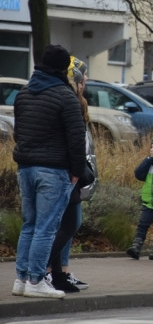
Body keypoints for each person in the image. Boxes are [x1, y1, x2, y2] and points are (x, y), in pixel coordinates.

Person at [12, 44, 87, 299]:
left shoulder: (22, 94)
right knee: (46, 227)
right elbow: (77, 139)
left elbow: (17, 132)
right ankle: (36, 280)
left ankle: (21, 279)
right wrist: (77, 172)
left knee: (29, 225)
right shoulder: (65, 96)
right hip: (54, 170)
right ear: (63, 68)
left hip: (25, 167)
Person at [46, 56, 95, 292]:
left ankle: (61, 271)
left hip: (74, 170)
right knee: (67, 224)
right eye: (83, 76)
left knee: (69, 224)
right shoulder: (69, 101)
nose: (86, 80)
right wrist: (78, 172)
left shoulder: (79, 101)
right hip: (68, 172)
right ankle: (47, 270)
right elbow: (73, 141)